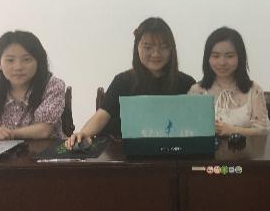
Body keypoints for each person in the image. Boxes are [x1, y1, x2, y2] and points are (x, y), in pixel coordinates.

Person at [66, 17, 195, 149]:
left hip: (172, 154)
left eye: (163, 47)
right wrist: (84, 134)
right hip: (125, 155)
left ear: (171, 50)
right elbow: (103, 115)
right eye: (148, 47)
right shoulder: (122, 81)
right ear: (137, 47)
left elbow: (197, 123)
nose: (156, 54)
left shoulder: (187, 84)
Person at [0, 30, 66, 140]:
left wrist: (9, 134)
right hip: (4, 151)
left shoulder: (53, 86)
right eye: (10, 60)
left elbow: (44, 130)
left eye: (26, 59)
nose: (18, 67)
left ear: (38, 62)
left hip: (48, 149)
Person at [188, 27, 270, 136]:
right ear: (207, 58)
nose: (222, 62)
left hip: (247, 148)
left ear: (240, 57)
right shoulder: (196, 91)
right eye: (215, 56)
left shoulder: (254, 90)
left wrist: (233, 130)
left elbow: (263, 131)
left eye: (230, 56)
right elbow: (188, 129)